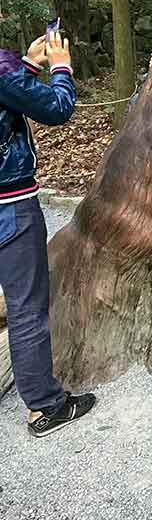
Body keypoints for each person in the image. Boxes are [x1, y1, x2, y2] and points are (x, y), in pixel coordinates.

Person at [0, 32, 96, 438]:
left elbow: (9, 92)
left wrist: (27, 65)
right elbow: (56, 108)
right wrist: (60, 66)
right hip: (9, 205)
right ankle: (45, 406)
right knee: (26, 307)